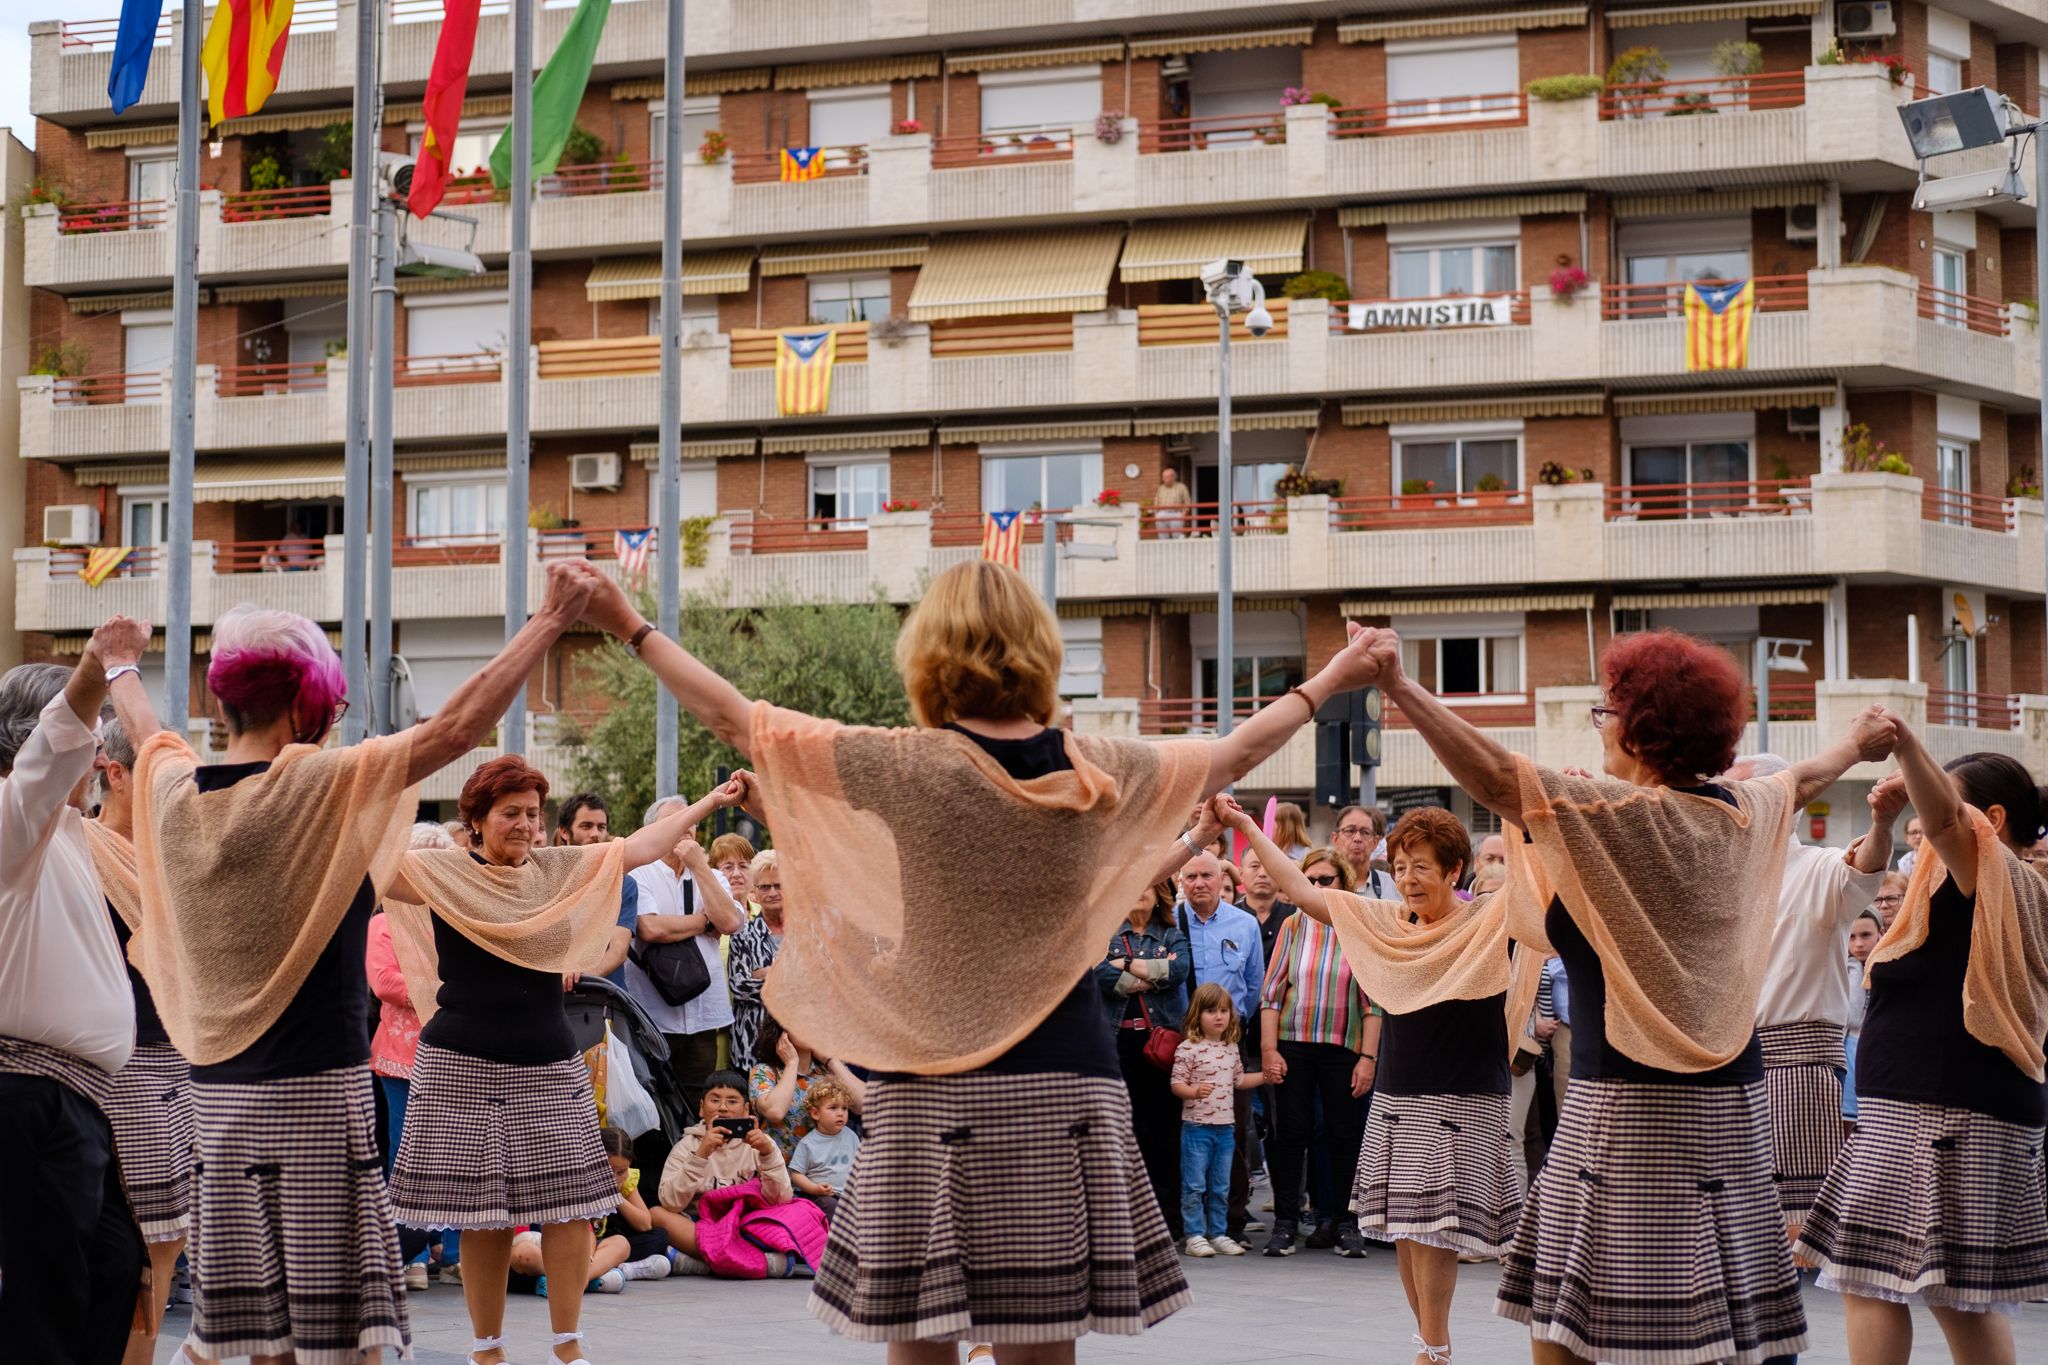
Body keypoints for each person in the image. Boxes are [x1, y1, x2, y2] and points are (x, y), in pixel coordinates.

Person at [577, 556, 1383, 1361]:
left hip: (931, 1085)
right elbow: (1237, 751)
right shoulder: (1093, 766)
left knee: (920, 1333)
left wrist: (627, 621)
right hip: (1063, 1082)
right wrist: (1341, 668)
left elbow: (735, 717)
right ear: (1040, 651)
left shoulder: (904, 762)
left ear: (928, 655)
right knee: (1040, 1340)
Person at [1350, 623, 1897, 1365]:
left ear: (1640, 734)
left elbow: (1492, 776)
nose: (1600, 726)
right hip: (1729, 1109)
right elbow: (1801, 779)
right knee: (1716, 1328)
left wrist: (1400, 684)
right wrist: (1858, 744)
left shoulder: (1617, 814)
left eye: (1609, 712)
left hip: (1625, 1112)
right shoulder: (1741, 812)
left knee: (1572, 1329)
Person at [122, 562, 608, 1365]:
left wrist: (117, 667)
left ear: (221, 701)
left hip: (217, 1105)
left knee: (257, 1338)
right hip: (316, 1094)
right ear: (311, 704)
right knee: (342, 1338)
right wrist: (550, 619)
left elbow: (149, 738)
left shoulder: (174, 790)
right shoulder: (318, 783)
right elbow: (455, 730)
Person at [383, 756, 744, 1365]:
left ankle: (568, 1348)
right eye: (510, 814)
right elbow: (360, 865)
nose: (526, 824)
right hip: (458, 1066)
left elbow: (636, 847)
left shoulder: (556, 869)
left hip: (549, 1061)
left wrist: (710, 802)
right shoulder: (439, 873)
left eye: (533, 813)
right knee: (482, 1217)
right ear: (474, 821)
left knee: (571, 1209)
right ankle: (487, 1350)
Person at [1228, 802, 1526, 1365]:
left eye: (1424, 868)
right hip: (1398, 1091)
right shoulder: (1387, 923)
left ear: (1455, 870)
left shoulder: (1491, 919)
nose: (1410, 880)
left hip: (1466, 1094)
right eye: (1404, 866)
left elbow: (1548, 888)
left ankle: (1434, 1349)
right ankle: (1431, 1344)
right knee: (1409, 1232)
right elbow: (1299, 887)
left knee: (1434, 1229)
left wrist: (1533, 818)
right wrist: (1246, 828)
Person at [1797, 743, 2048, 1363]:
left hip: (1941, 1112)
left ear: (1990, 819)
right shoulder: (1963, 887)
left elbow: (1942, 822)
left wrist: (1907, 744)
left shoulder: (1997, 876)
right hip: (1930, 1110)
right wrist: (1885, 820)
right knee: (1947, 1294)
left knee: (1883, 1282)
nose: (1926, 812)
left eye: (1943, 794)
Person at [1726, 752, 1895, 1247]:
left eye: (1734, 792)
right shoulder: (1718, 871)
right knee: (1730, 1216)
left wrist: (1883, 821)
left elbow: (1865, 868)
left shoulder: (1817, 867)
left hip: (1795, 1059)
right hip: (1723, 1055)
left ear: (1781, 803)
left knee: (1795, 1230)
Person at [80, 707, 199, 1359]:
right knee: (113, 1253)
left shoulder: (176, 863)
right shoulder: (77, 850)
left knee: (160, 1251)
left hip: (176, 1068)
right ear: (116, 773)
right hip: (103, 1072)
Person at [1255, 846, 1377, 1259]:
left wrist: (1368, 1058)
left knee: (1344, 1136)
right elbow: (1271, 994)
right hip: (1293, 1046)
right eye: (1310, 880)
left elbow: (1372, 1003)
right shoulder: (1292, 926)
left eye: (1327, 880)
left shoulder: (1357, 925)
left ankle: (1345, 1224)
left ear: (1344, 883)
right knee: (1291, 1134)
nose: (1318, 887)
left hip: (1344, 1047)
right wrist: (1269, 1050)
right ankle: (1286, 1224)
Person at [366, 822, 452, 1292]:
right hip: (401, 1056)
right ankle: (410, 1255)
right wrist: (450, 992)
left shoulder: (456, 915)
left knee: (457, 1152)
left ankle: (456, 1250)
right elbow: (384, 984)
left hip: (456, 1048)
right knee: (404, 1152)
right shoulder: (382, 922)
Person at [623, 795, 745, 1113]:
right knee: (654, 1104)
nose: (685, 830)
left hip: (705, 1016)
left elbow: (730, 921)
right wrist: (705, 921)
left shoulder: (713, 876)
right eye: (674, 823)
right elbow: (651, 929)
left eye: (691, 822)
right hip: (653, 1016)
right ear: (653, 831)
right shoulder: (639, 873)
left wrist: (698, 866)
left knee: (697, 1108)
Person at [1178, 846, 1272, 1258]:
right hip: (1177, 1046)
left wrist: (1230, 1033)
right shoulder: (1173, 920)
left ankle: (1230, 1223)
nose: (1199, 883)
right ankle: (1182, 1223)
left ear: (1223, 881)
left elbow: (1254, 986)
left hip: (1229, 1045)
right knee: (1183, 1137)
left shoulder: (1244, 924)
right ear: (1181, 882)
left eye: (1206, 876)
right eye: (1191, 876)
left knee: (1231, 1134)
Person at [1097, 879, 1193, 1241]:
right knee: (1124, 1132)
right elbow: (1096, 972)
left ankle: (1167, 1219)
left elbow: (1179, 970)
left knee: (1164, 1133)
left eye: (1148, 886)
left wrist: (1124, 965)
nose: (1139, 891)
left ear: (1160, 897)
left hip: (1160, 1045)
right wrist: (1150, 973)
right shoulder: (1105, 932)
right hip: (1116, 1041)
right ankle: (1125, 1222)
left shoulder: (1171, 933)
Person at [651, 1070, 794, 1273]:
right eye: (715, 1100)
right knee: (656, 1214)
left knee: (794, 1212)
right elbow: (671, 1203)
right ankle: (756, 1262)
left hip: (745, 1226)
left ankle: (702, 1264)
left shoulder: (760, 1143)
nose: (723, 1108)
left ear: (746, 1110)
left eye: (732, 1101)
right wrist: (700, 1155)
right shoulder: (687, 1145)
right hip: (703, 1227)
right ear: (701, 1108)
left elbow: (781, 1200)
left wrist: (768, 1154)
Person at [1171, 982, 1266, 1257]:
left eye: (1224, 1010)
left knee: (1221, 1185)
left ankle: (1218, 1232)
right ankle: (1194, 1235)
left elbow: (1238, 1080)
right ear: (1197, 1015)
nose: (1219, 1017)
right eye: (1211, 1011)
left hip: (1225, 1129)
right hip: (1196, 1128)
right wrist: (1193, 1091)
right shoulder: (1188, 1048)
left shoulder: (1230, 1048)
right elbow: (1176, 1084)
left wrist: (1264, 1077)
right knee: (1194, 1185)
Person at [519, 1128, 673, 1297]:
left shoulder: (625, 1179)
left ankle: (579, 1278)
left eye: (621, 1172)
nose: (613, 1177)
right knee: (525, 1254)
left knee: (651, 1238)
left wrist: (615, 1197)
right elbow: (583, 1229)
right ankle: (598, 1275)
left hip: (595, 1247)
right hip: (565, 1244)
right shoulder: (576, 1176)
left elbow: (645, 1223)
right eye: (608, 1170)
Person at [748, 1012, 867, 1157]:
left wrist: (831, 1061)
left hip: (830, 1171)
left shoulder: (827, 1070)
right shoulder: (764, 1071)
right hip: (783, 1173)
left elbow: (863, 1105)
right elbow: (775, 1112)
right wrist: (792, 1063)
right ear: (781, 1030)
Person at [553, 792, 638, 988]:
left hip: (603, 1000)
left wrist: (578, 978)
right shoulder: (548, 879)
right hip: (552, 1001)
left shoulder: (623, 883)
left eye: (601, 827)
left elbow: (618, 951)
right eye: (586, 826)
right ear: (564, 832)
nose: (595, 834)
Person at [727, 848, 785, 1070]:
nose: (772, 892)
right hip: (752, 1044)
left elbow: (820, 980)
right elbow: (740, 986)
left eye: (778, 885)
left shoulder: (807, 932)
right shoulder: (743, 933)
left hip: (803, 1040)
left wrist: (768, 973)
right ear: (755, 891)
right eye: (764, 887)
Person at [790, 1079, 862, 1220]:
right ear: (816, 1113)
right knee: (829, 1205)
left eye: (844, 1108)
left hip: (849, 1195)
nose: (841, 1113)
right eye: (833, 1107)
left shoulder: (851, 1135)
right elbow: (796, 1174)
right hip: (820, 1196)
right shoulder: (808, 1143)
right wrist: (814, 1188)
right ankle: (834, 1239)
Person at [1842, 908, 1883, 1122]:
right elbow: (1853, 1017)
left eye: (1866, 935)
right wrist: (1856, 968)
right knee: (1847, 1120)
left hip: (1878, 1050)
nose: (1858, 944)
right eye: (1851, 937)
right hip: (1849, 1048)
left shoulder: (1889, 966)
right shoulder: (1845, 968)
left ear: (1880, 933)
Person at [1333, 804, 1396, 899]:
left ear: (1375, 842)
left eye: (1365, 832)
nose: (1357, 838)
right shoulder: (1321, 884)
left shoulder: (1394, 887)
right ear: (1335, 839)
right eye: (1350, 831)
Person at [1154, 464, 1193, 539]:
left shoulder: (1181, 487)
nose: (1165, 479)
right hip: (1162, 513)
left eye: (1168, 477)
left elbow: (1187, 501)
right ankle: (1164, 550)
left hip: (1176, 514)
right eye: (1164, 477)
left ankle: (1178, 550)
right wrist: (1156, 514)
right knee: (1162, 536)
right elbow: (1156, 501)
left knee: (1177, 536)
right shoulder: (1161, 488)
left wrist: (1183, 515)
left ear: (1173, 477)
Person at [1897, 813, 1924, 879]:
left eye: (1923, 832)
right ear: (1906, 838)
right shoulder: (1905, 861)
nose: (1918, 836)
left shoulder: (1943, 858)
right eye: (1913, 833)